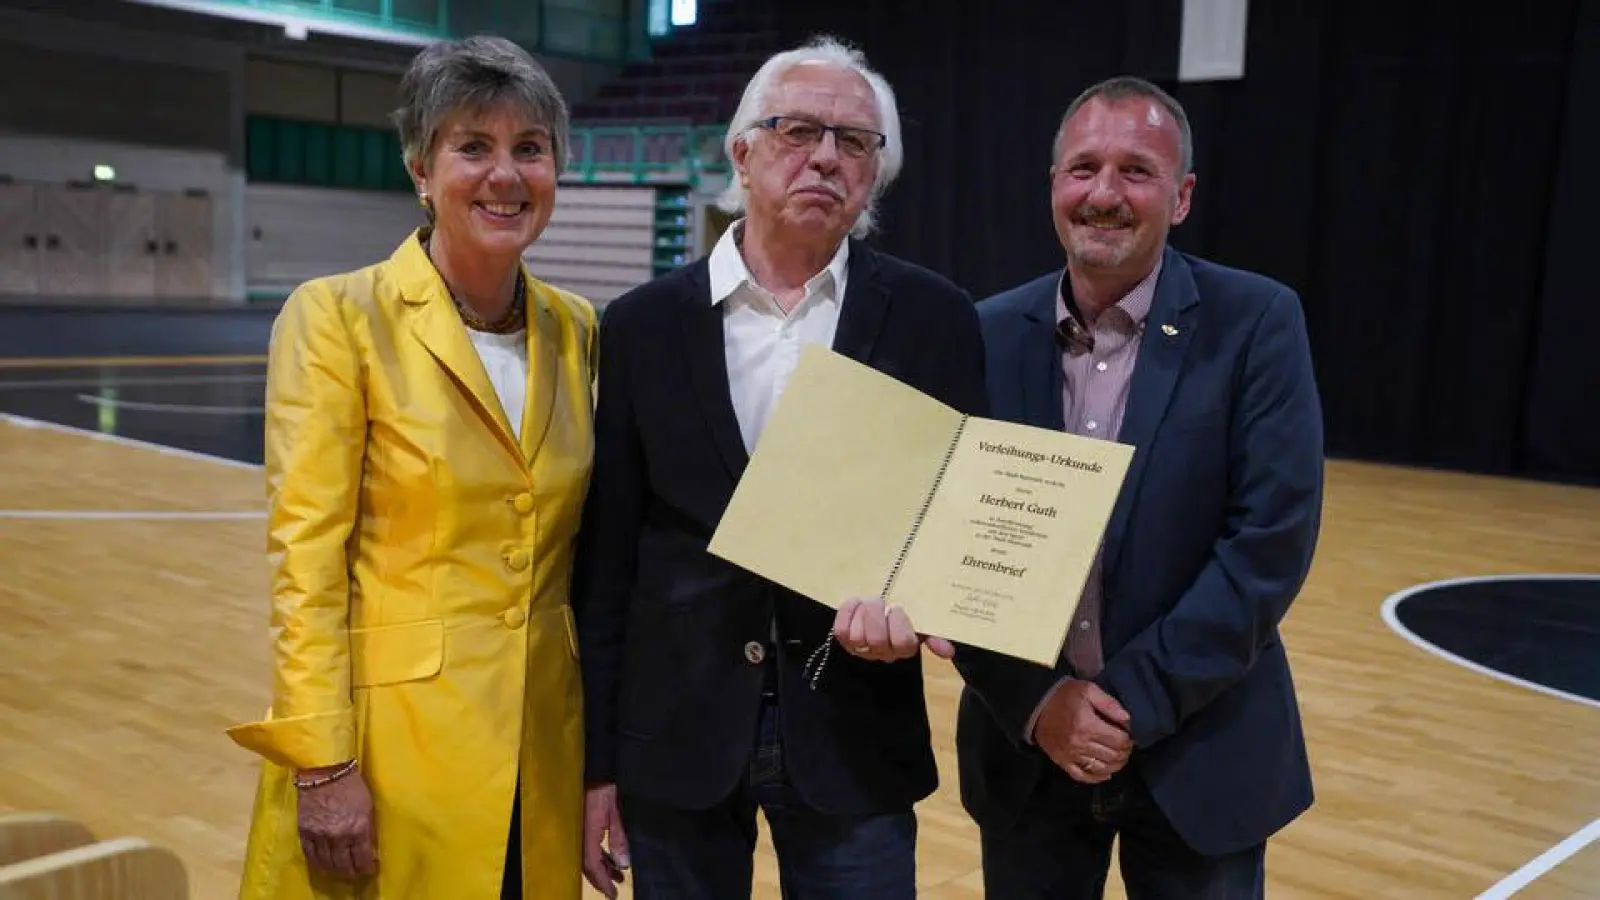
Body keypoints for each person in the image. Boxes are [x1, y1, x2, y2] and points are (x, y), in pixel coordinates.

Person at [846, 75, 1325, 896]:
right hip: (1027, 755)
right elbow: (955, 545)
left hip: (1201, 753)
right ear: (1054, 187)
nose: (1104, 194)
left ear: (1181, 197)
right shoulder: (986, 331)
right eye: (1083, 168)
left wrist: (1125, 704)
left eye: (1136, 171)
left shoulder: (1256, 321)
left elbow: (1269, 545)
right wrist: (1042, 704)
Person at [572, 36, 987, 900]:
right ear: (742, 152)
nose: (826, 157)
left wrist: (926, 606)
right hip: (676, 736)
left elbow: (958, 523)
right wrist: (596, 763)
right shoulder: (642, 326)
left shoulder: (935, 319)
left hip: (855, 733)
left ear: (875, 173)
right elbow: (608, 562)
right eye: (798, 131)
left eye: (854, 141)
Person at [225, 35, 597, 900]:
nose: (505, 175)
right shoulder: (338, 316)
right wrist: (322, 761)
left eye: (530, 148)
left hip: (541, 752)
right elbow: (307, 558)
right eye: (473, 147)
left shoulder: (577, 329)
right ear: (421, 170)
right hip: (389, 755)